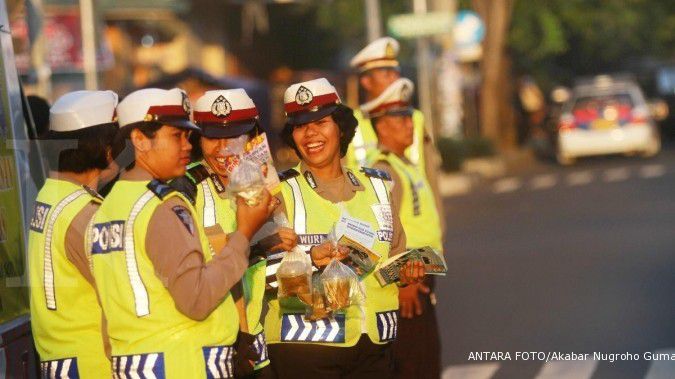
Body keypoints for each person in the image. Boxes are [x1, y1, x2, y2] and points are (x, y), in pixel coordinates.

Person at [89, 88, 274, 378]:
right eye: (176, 136)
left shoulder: (112, 203)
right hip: (180, 363)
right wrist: (244, 233)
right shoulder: (164, 204)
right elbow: (197, 299)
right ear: (139, 140)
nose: (188, 146)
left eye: (188, 136)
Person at [264, 78, 425, 379]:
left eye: (321, 122)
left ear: (340, 128)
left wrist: (405, 273)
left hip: (374, 345)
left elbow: (391, 256)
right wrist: (311, 259)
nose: (310, 133)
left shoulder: (377, 186)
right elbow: (260, 277)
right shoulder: (279, 194)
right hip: (307, 349)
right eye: (300, 126)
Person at [171, 88, 298, 378]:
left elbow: (264, 273)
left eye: (233, 137)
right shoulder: (186, 187)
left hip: (255, 342)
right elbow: (200, 266)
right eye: (212, 137)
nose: (222, 149)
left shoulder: (262, 181)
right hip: (215, 347)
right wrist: (259, 245)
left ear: (253, 138)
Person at [28, 90, 120, 377]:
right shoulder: (85, 213)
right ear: (105, 149)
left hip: (62, 361)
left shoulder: (51, 194)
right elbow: (120, 298)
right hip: (96, 366)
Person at [363, 78, 443, 379]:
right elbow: (383, 231)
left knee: (426, 359)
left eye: (409, 117)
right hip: (408, 282)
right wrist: (403, 282)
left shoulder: (403, 163)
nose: (410, 124)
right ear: (382, 126)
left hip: (420, 276)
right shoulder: (385, 169)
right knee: (414, 364)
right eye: (401, 119)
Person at [347, 37, 445, 234]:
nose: (394, 78)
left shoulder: (415, 119)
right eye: (386, 73)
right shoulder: (349, 126)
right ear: (366, 81)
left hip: (420, 232)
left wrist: (439, 225)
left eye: (396, 72)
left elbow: (431, 177)